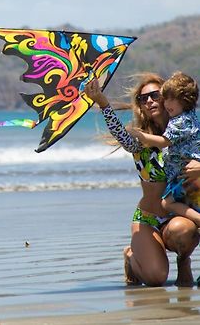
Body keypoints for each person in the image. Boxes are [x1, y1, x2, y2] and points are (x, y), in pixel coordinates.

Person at [84, 73, 200, 287]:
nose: (149, 101)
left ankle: (183, 260)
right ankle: (131, 256)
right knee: (156, 278)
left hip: (179, 217)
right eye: (142, 98)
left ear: (168, 97)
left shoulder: (191, 131)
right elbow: (122, 137)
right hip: (149, 218)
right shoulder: (141, 139)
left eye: (155, 95)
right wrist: (103, 104)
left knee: (184, 230)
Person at [129, 72, 200, 226]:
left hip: (186, 174)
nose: (167, 103)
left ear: (183, 100)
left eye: (158, 96)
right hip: (186, 177)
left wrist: (141, 136)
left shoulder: (179, 122)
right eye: (165, 98)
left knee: (167, 203)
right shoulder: (191, 117)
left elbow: (163, 142)